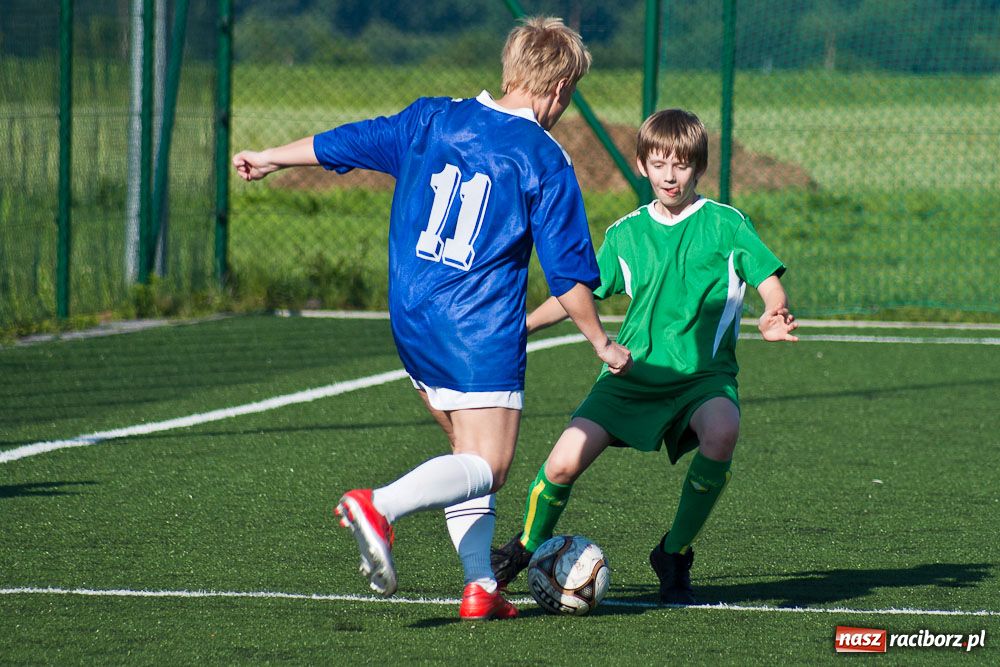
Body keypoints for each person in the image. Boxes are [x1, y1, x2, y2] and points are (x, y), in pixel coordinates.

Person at [232, 17, 631, 621]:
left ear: (510, 71)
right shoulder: (543, 157)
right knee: (489, 466)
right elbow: (571, 277)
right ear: (558, 89)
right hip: (476, 328)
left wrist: (269, 158)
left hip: (412, 318)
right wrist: (600, 340)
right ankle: (380, 507)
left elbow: (347, 141)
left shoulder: (431, 117)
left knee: (464, 456)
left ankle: (482, 589)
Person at [491, 108, 798, 605]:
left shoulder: (726, 224)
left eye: (681, 165)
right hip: (630, 374)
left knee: (722, 431)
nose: (670, 175)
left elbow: (766, 277)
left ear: (698, 168)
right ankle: (525, 545)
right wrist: (520, 326)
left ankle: (674, 553)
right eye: (659, 164)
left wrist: (774, 311)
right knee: (563, 463)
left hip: (702, 378)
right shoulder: (625, 233)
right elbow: (578, 292)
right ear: (641, 166)